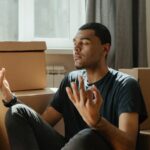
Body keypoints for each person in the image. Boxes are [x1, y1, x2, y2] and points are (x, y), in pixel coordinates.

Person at [0, 22, 147, 150]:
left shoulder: (126, 85)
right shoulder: (71, 80)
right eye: (75, 43)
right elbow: (42, 123)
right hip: (69, 146)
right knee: (17, 112)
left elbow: (128, 146)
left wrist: (97, 122)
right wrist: (10, 98)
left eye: (85, 43)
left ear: (105, 49)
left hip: (94, 146)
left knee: (88, 135)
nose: (76, 48)